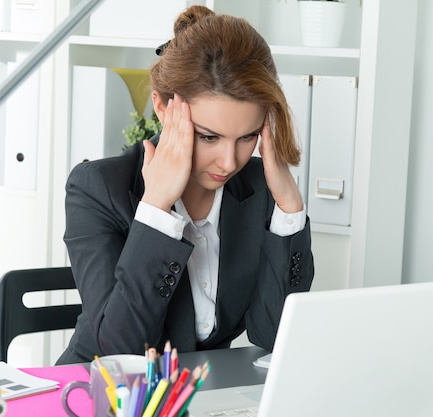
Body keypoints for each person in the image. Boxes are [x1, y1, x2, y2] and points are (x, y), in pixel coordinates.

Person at [56, 5, 314, 365]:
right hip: (101, 392)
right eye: (209, 137)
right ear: (161, 107)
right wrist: (156, 210)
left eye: (248, 136)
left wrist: (289, 211)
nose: (229, 162)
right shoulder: (98, 188)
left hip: (202, 393)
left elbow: (273, 336)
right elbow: (120, 349)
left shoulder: (261, 190)